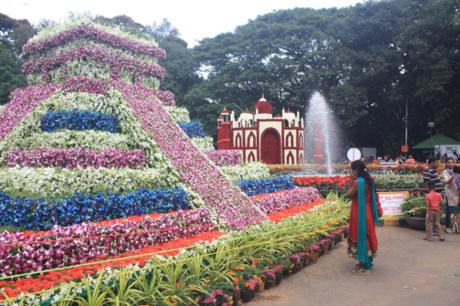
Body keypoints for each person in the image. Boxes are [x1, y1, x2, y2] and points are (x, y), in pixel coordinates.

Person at [346, 160, 383, 274]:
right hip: (368, 212)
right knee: (366, 235)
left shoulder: (358, 182)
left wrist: (351, 181)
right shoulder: (369, 180)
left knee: (360, 236)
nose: (351, 172)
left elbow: (349, 195)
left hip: (359, 213)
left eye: (352, 170)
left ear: (356, 170)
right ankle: (366, 261)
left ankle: (363, 265)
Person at [443, 159, 459, 233]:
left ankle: (455, 226)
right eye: (449, 162)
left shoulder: (457, 171)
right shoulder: (445, 172)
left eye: (452, 162)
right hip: (449, 193)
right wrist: (452, 176)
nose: (450, 164)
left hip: (457, 193)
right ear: (446, 164)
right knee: (449, 211)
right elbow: (446, 182)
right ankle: (447, 226)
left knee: (456, 211)